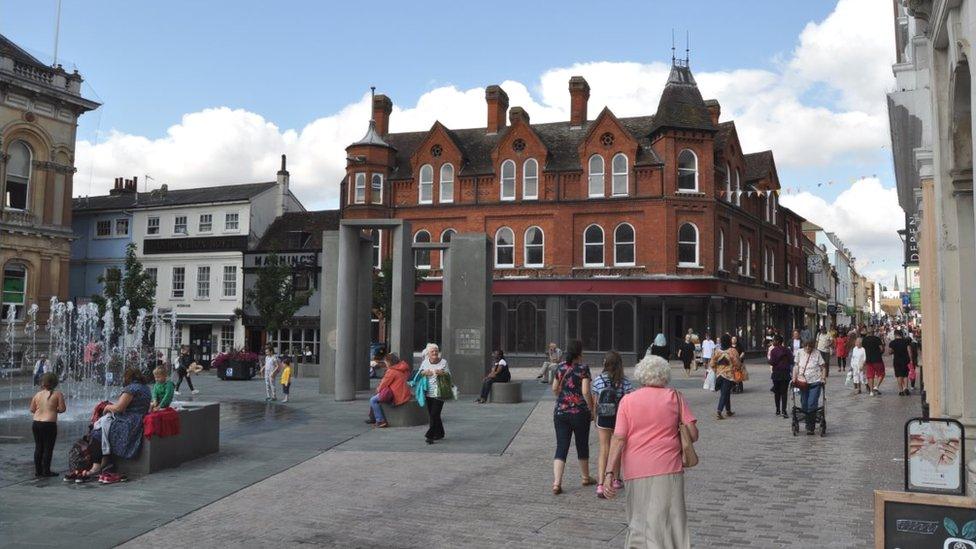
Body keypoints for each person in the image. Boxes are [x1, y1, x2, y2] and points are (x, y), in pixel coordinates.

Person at [602, 354, 698, 548]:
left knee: (639, 522)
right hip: (669, 468)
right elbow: (693, 435)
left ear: (641, 375)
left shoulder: (628, 401)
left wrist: (609, 473)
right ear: (664, 375)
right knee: (672, 523)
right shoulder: (675, 397)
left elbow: (618, 439)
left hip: (636, 470)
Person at [82, 368, 152, 484]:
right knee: (103, 427)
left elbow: (119, 408)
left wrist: (107, 408)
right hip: (137, 420)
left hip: (127, 422)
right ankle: (104, 463)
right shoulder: (146, 388)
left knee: (97, 430)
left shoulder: (131, 389)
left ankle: (96, 466)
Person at [551, 339, 595, 494]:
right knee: (582, 444)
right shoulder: (583, 368)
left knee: (561, 446)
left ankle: (557, 483)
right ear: (579, 352)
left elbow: (555, 388)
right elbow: (585, 391)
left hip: (560, 412)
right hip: (580, 413)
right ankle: (585, 477)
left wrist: (563, 398)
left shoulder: (560, 367)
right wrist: (592, 408)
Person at [591, 351, 634, 499]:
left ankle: (601, 484)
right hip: (619, 418)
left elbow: (595, 401)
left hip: (603, 417)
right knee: (617, 448)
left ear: (605, 363)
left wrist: (594, 417)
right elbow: (629, 401)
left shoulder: (598, 380)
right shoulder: (625, 381)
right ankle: (616, 479)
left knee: (604, 449)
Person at [29, 372, 65, 477]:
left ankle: (38, 471)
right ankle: (46, 471)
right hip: (49, 424)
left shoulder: (38, 394)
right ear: (55, 383)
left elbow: (32, 409)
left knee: (38, 447)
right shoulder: (57, 394)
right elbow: (62, 409)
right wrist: (54, 410)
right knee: (48, 448)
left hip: (36, 423)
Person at [366, 352, 412, 428]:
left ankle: (380, 420)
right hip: (404, 393)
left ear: (389, 362)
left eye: (386, 362)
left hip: (396, 395)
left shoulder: (392, 371)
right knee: (376, 397)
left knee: (373, 400)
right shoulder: (402, 368)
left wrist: (377, 390)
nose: (385, 364)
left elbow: (384, 383)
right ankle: (373, 418)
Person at [793, 340, 827, 435]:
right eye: (806, 346)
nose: (808, 348)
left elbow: (823, 367)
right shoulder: (799, 352)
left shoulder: (817, 353)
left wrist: (823, 378)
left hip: (815, 381)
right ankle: (808, 422)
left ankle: (810, 426)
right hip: (803, 382)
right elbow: (796, 366)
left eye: (810, 346)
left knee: (812, 403)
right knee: (804, 403)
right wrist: (794, 378)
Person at [419, 344, 450, 444]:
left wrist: (442, 373)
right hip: (428, 392)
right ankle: (440, 433)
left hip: (440, 392)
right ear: (428, 353)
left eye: (436, 351)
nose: (435, 353)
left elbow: (449, 375)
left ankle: (430, 436)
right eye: (432, 351)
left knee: (434, 414)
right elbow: (420, 373)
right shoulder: (425, 362)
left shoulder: (444, 362)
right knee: (435, 415)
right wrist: (424, 373)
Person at [709, 334, 741, 419]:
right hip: (728, 376)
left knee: (726, 393)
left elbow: (712, 363)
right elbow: (737, 363)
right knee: (724, 393)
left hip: (719, 375)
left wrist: (717, 370)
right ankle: (719, 411)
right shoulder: (732, 351)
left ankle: (728, 411)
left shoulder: (717, 351)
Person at [768, 334, 793, 418]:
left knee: (777, 392)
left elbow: (772, 362)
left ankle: (777, 409)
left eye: (774, 340)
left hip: (776, 373)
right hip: (785, 373)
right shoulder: (787, 350)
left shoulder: (773, 351)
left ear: (777, 341)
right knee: (784, 392)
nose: (772, 342)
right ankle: (784, 410)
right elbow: (791, 360)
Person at [888, 329, 915, 396]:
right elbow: (909, 351)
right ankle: (905, 387)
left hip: (897, 360)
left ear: (895, 335)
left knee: (899, 375)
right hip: (905, 360)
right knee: (905, 375)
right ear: (901, 334)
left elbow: (889, 352)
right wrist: (911, 360)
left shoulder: (892, 343)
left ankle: (901, 391)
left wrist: (894, 351)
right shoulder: (906, 341)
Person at [862, 328, 886, 396]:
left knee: (870, 376)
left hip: (868, 360)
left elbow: (863, 349)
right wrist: (880, 352)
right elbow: (881, 348)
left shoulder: (864, 340)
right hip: (877, 359)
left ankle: (871, 391)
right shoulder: (877, 339)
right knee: (882, 373)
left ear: (867, 332)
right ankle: (876, 386)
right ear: (873, 332)